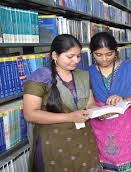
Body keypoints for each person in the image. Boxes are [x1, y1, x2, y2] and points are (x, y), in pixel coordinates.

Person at [23, 34, 100, 172]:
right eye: (70, 57)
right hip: (53, 144)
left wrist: (101, 112)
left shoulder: (82, 75)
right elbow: (30, 114)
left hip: (82, 141)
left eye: (78, 56)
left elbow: (90, 104)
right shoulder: (41, 76)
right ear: (54, 55)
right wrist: (69, 117)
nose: (76, 60)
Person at [88, 32, 131, 171]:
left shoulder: (130, 69)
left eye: (109, 54)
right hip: (99, 126)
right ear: (92, 54)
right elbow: (87, 102)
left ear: (116, 52)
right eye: (98, 55)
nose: (104, 59)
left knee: (129, 167)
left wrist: (124, 99)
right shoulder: (87, 72)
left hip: (125, 125)